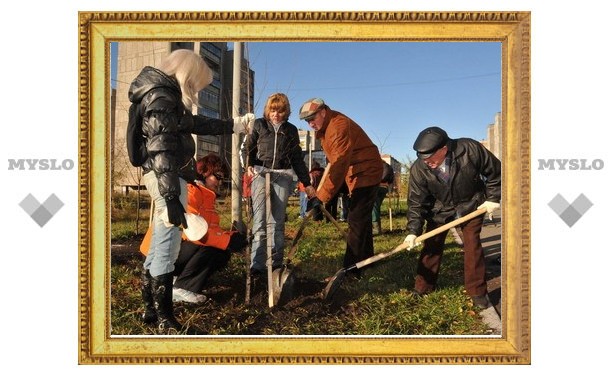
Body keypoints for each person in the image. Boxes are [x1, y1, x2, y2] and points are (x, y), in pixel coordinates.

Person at [129, 49, 254, 333]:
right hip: (168, 178)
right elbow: (160, 147)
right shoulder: (162, 96)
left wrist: (233, 125)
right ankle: (165, 321)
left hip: (167, 177)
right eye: (197, 83)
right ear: (188, 74)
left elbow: (196, 123)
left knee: (163, 244)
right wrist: (172, 196)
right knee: (167, 247)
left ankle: (151, 311)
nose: (196, 89)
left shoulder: (163, 95)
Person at [404, 126, 501, 309]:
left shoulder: (470, 149)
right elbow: (416, 202)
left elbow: (495, 172)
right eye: (422, 158)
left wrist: (492, 198)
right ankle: (423, 287)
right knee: (431, 245)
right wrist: (412, 231)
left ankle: (478, 292)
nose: (427, 162)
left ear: (444, 149)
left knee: (472, 245)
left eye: (430, 158)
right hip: (439, 210)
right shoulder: (419, 168)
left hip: (472, 205)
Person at [298, 98, 382, 280]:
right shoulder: (325, 128)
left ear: (323, 112)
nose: (311, 124)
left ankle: (350, 272)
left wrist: (321, 197)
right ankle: (367, 260)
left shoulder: (337, 127)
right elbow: (335, 162)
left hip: (366, 170)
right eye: (307, 121)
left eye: (313, 118)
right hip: (354, 170)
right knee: (362, 219)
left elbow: (338, 164)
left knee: (356, 219)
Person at [245, 93, 316, 279]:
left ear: (286, 112)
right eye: (273, 110)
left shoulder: (290, 130)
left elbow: (296, 159)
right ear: (268, 110)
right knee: (260, 221)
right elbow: (249, 149)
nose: (276, 114)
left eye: (280, 110)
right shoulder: (259, 125)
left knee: (277, 222)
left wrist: (306, 183)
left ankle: (275, 264)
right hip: (261, 174)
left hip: (283, 176)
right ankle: (257, 265)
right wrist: (249, 165)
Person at [172, 154, 248, 303]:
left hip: (181, 250)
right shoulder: (191, 192)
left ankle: (179, 280)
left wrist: (233, 236)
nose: (220, 182)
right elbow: (192, 231)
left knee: (221, 253)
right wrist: (227, 240)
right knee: (211, 248)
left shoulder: (207, 198)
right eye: (217, 176)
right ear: (204, 172)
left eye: (222, 178)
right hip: (168, 252)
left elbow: (213, 230)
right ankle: (182, 288)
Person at [372, 159, 395, 235]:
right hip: (384, 188)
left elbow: (383, 177)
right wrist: (390, 190)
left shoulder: (383, 166)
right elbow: (391, 180)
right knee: (376, 207)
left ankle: (376, 229)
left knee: (374, 207)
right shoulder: (389, 167)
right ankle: (375, 227)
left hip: (378, 188)